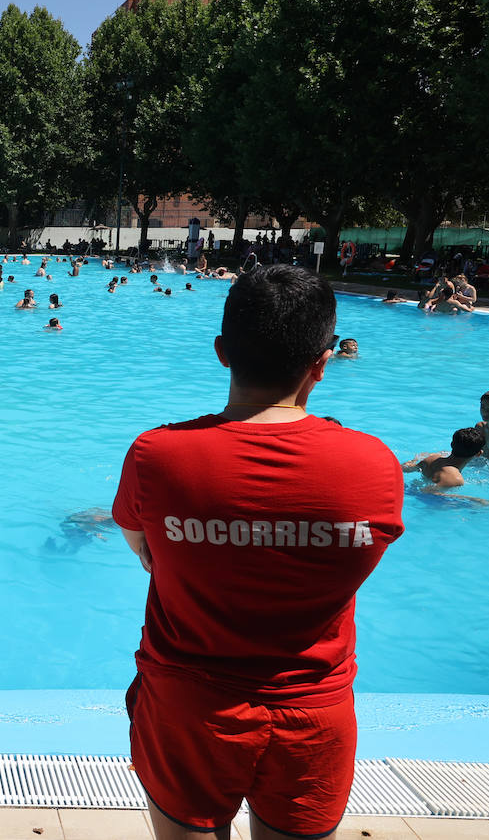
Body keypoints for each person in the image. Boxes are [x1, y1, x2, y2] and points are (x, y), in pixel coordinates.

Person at [111, 265, 405, 840]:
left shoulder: (157, 455)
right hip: (314, 711)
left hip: (189, 702)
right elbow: (350, 567)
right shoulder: (373, 463)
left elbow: (143, 548)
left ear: (222, 351)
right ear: (322, 363)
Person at [401, 426, 489, 501]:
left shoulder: (431, 458)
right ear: (479, 453)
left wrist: (414, 460)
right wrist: (470, 499)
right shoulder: (455, 478)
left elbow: (405, 468)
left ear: (452, 444)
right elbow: (426, 492)